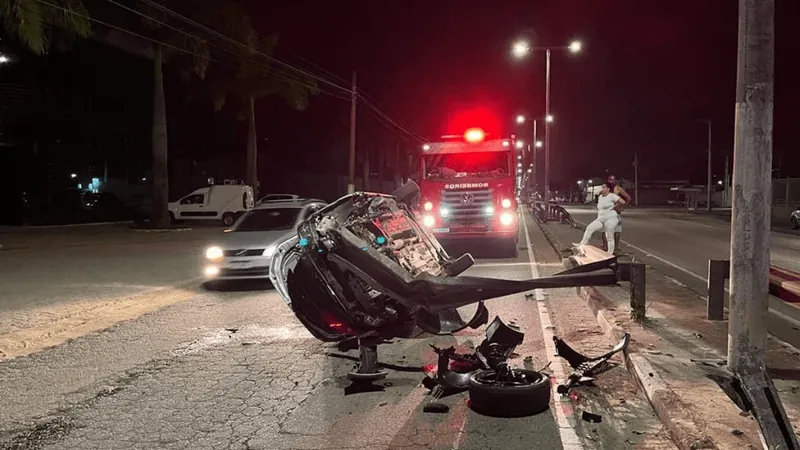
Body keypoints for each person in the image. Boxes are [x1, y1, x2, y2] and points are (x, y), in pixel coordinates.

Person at [574, 182, 627, 255]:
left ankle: (610, 253)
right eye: (602, 187)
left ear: (608, 189)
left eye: (604, 187)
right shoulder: (600, 197)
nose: (602, 188)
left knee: (609, 235)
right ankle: (582, 244)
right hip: (601, 218)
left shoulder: (612, 196)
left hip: (611, 218)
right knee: (590, 228)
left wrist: (615, 206)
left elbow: (623, 202)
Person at [602, 174, 631, 254]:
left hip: (615, 212)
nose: (612, 181)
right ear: (608, 180)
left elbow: (628, 198)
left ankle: (616, 247)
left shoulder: (618, 189)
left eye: (614, 179)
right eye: (611, 180)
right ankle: (606, 246)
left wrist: (623, 207)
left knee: (617, 231)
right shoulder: (605, 189)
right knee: (604, 230)